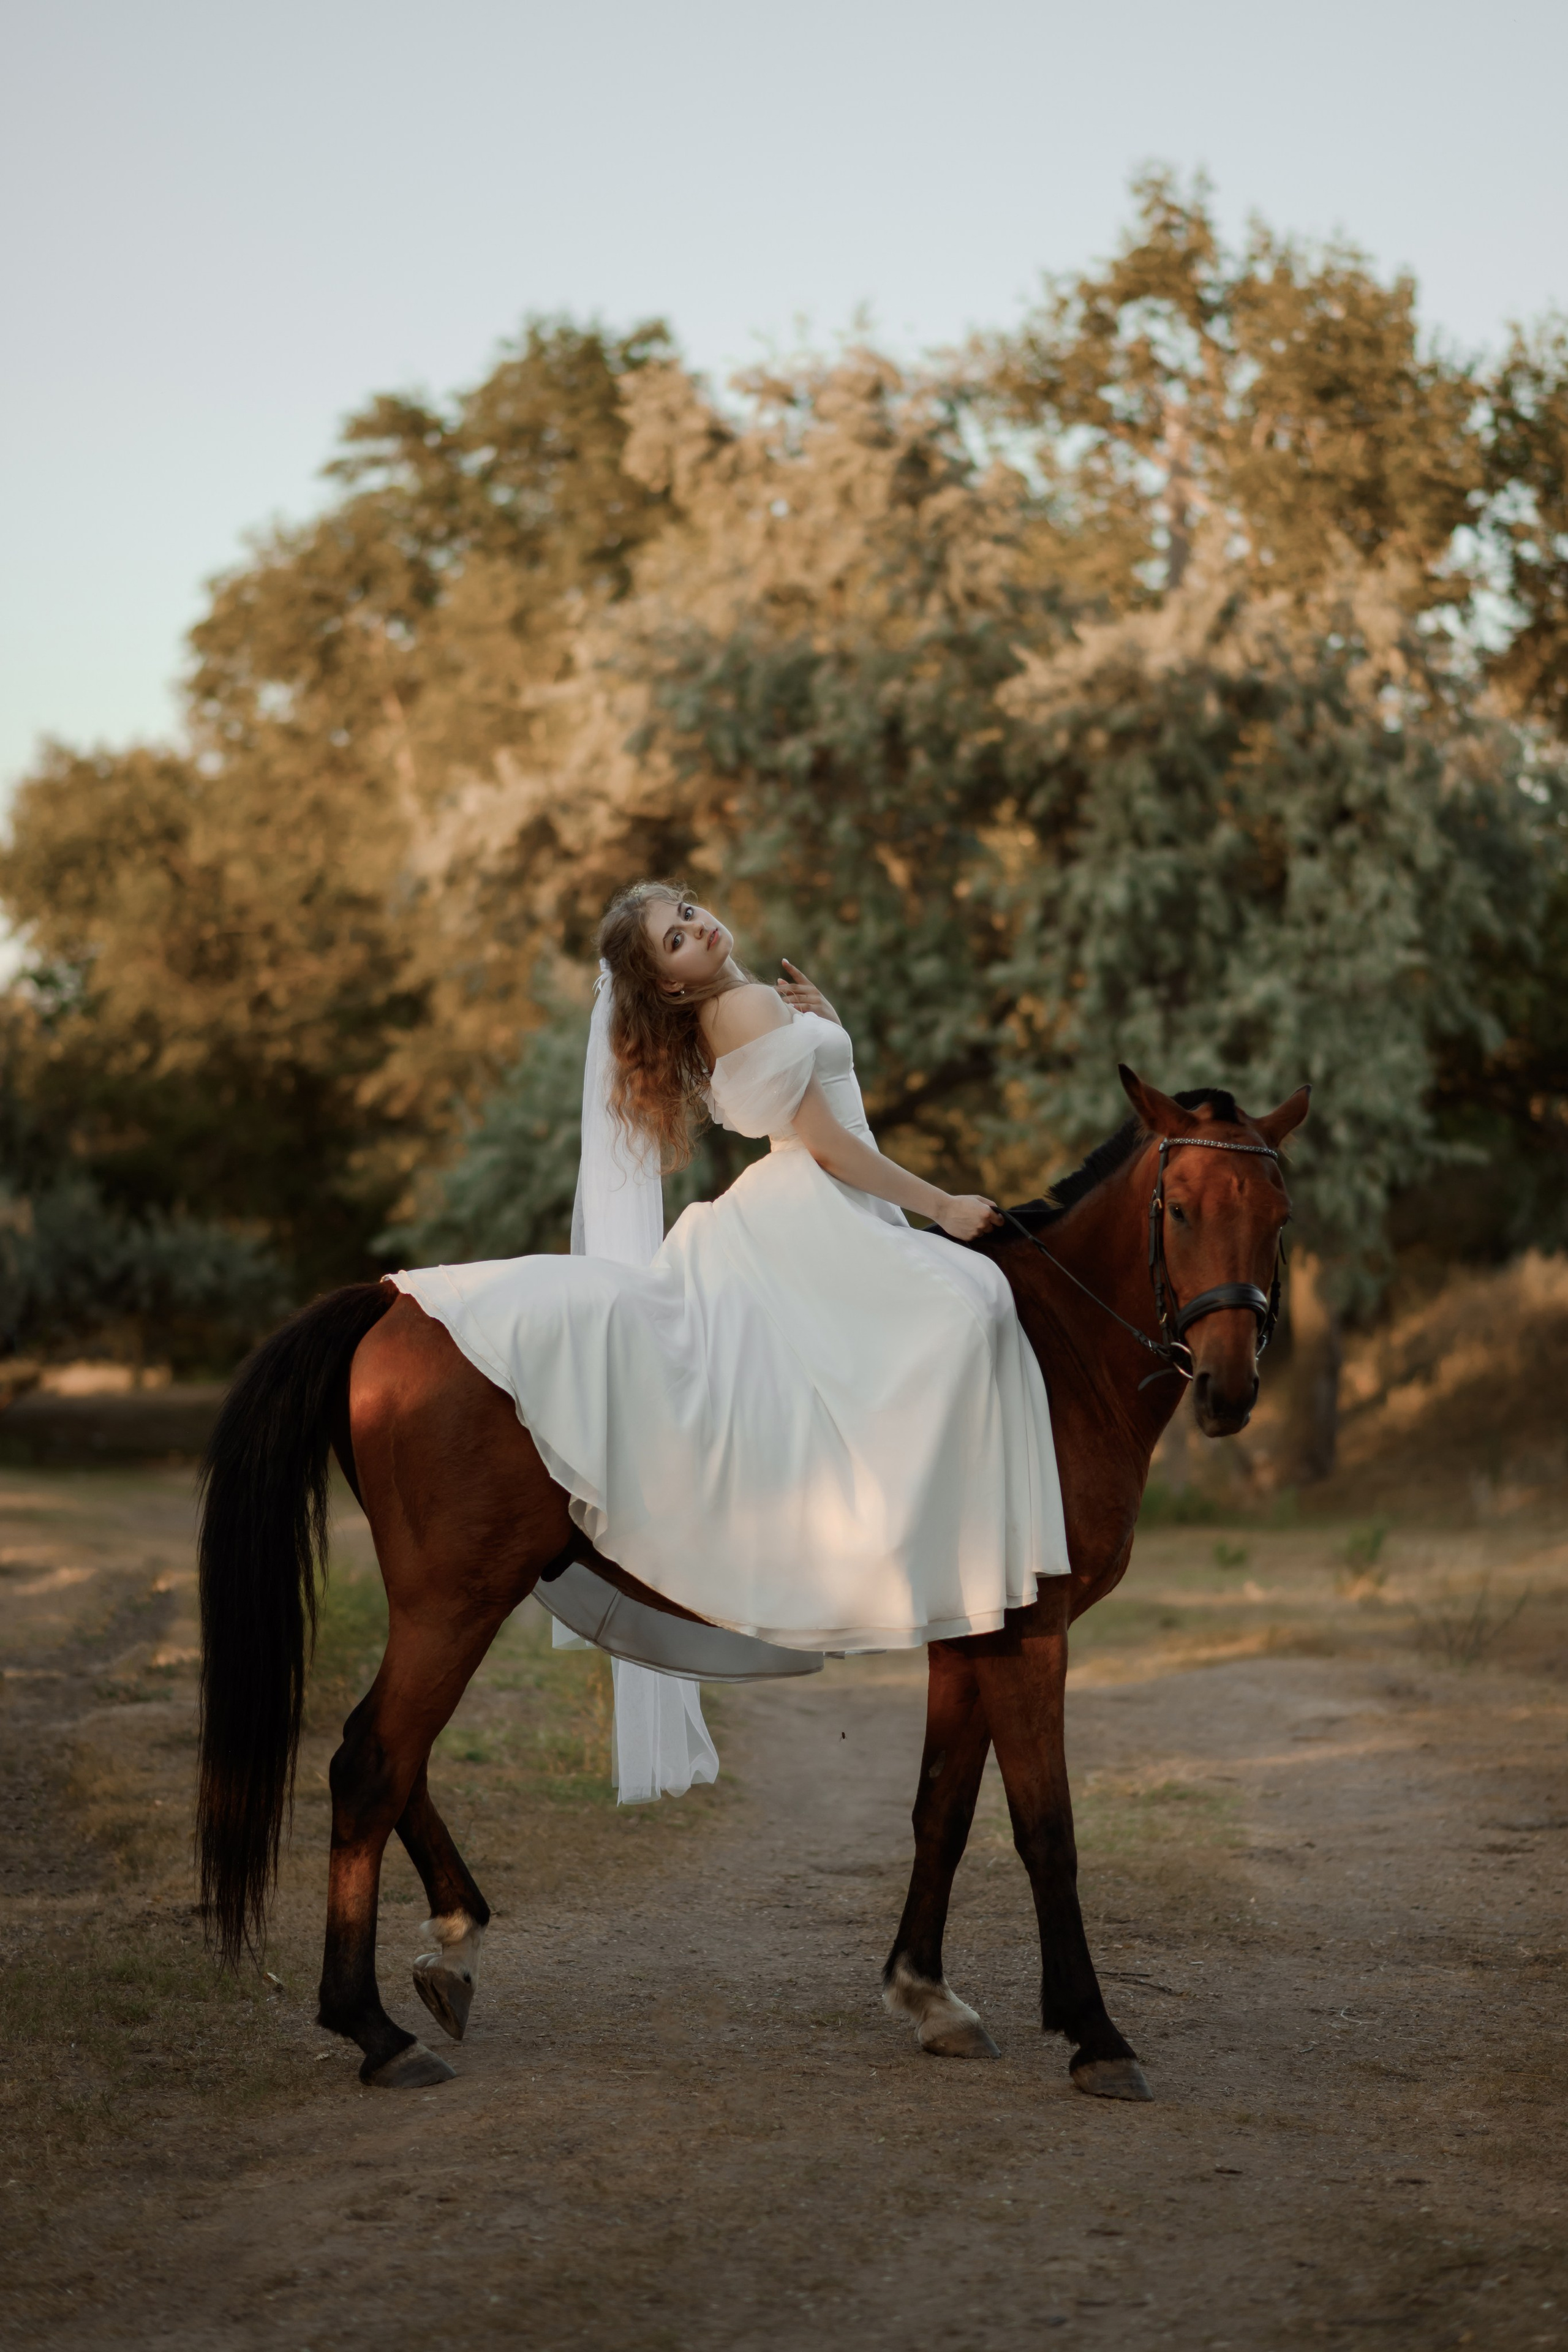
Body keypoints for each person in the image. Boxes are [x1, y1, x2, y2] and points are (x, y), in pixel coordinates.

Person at [391, 881, 1070, 1790]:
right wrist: (941, 1203)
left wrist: (826, 1033)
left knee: (958, 1310)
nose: (698, 926)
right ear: (671, 988)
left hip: (810, 1199)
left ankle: (929, 1528)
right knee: (971, 1307)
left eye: (689, 910)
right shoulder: (744, 1006)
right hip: (817, 1202)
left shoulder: (747, 1003)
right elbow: (828, 1145)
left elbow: (819, 1106)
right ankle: (927, 1540)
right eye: (677, 938)